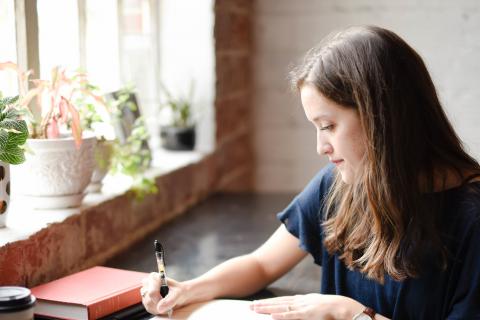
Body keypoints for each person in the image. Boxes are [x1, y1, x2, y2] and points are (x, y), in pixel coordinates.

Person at [141, 25, 480, 319]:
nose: (321, 147)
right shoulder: (338, 186)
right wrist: (189, 289)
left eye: (329, 126)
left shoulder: (472, 220)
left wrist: (351, 314)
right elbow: (261, 265)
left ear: (382, 118)